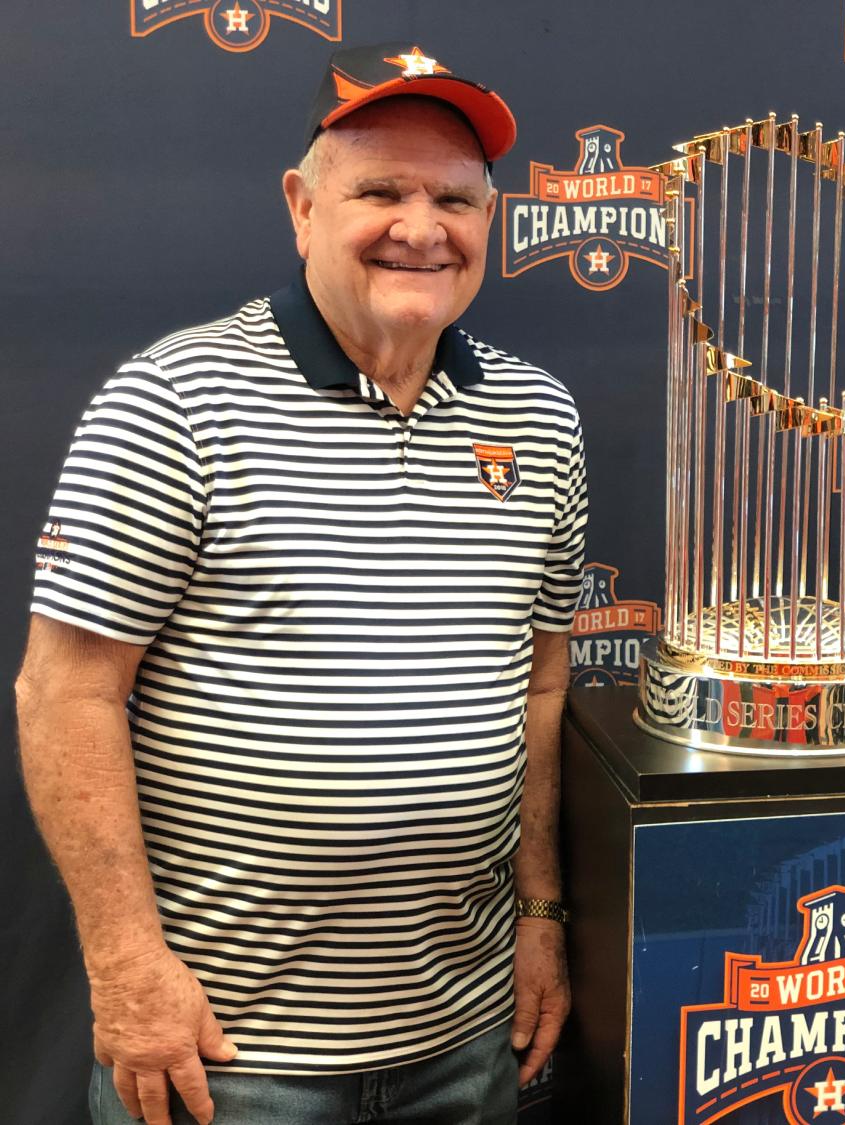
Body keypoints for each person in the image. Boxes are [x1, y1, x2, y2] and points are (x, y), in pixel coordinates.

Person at [16, 42, 586, 1125]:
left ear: (491, 225)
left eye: (454, 200)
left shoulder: (539, 418)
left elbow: (543, 682)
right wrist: (129, 970)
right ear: (302, 206)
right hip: (226, 1057)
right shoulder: (174, 400)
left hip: (466, 1045)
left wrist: (542, 911)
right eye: (381, 191)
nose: (422, 228)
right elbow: (64, 695)